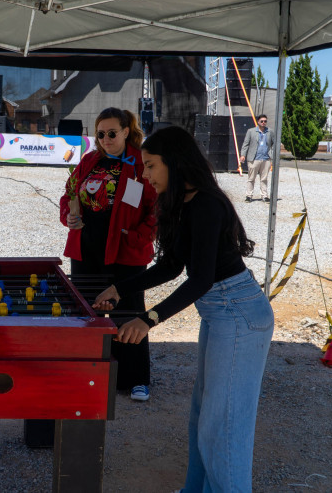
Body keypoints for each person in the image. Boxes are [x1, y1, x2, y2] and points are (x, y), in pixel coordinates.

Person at [93, 126, 273, 492]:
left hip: (239, 314)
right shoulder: (181, 201)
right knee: (201, 419)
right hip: (220, 313)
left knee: (223, 426)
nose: (145, 175)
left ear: (175, 163)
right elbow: (172, 266)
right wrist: (119, 288)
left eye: (152, 166)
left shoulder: (206, 203)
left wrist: (149, 320)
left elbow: (201, 278)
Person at [60, 107, 158, 401]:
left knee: (127, 312)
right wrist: (69, 216)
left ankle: (136, 378)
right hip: (87, 247)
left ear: (127, 131)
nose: (105, 139)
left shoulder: (142, 164)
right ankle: (91, 374)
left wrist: (140, 236)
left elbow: (159, 206)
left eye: (111, 133)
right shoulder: (90, 160)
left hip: (126, 251)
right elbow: (68, 195)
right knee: (87, 311)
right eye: (100, 134)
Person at [238, 114, 274, 202]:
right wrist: (243, 155)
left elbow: (274, 143)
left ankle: (264, 196)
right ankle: (249, 195)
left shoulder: (270, 131)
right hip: (254, 158)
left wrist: (272, 154)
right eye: (261, 121)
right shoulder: (251, 131)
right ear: (258, 122)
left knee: (264, 178)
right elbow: (246, 144)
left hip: (266, 158)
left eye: (265, 121)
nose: (263, 123)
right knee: (251, 178)